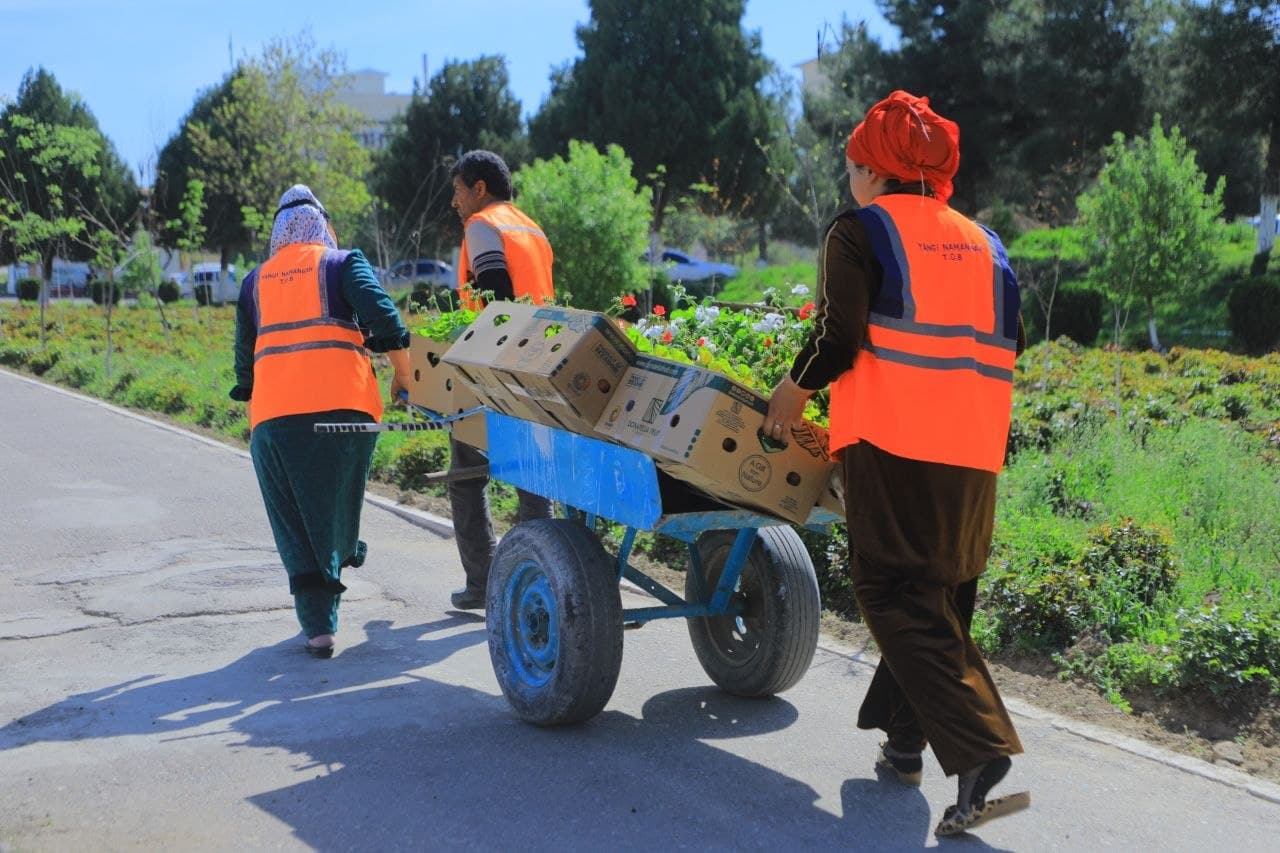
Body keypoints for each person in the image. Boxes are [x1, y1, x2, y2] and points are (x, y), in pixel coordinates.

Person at [764, 91, 1029, 838]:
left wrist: (793, 389)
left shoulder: (859, 232)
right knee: (939, 592)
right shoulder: (988, 243)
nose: (848, 177)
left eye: (852, 164)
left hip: (893, 439)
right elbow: (1011, 340)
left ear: (874, 170)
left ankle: (978, 752)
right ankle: (905, 741)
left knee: (888, 588)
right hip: (975, 449)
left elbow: (838, 336)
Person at [231, 185, 411, 658]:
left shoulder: (254, 282)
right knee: (337, 502)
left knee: (293, 521)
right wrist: (404, 377)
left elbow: (242, 367)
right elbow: (386, 318)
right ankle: (342, 553)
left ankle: (318, 626)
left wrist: (253, 404)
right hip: (347, 416)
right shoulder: (342, 263)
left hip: (274, 423)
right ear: (322, 225)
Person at [446, 149, 555, 611]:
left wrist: (479, 360)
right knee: (533, 474)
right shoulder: (531, 228)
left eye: (457, 191)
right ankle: (547, 573)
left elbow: (495, 295)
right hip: (542, 363)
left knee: (465, 472)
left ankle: (483, 582)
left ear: (479, 189)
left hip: (498, 367)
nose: (455, 202)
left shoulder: (483, 225)